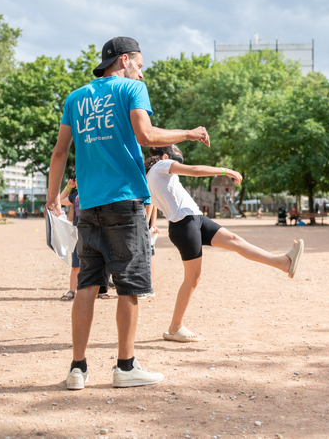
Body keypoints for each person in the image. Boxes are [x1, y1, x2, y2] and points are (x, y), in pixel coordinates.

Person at [46, 36, 210, 391]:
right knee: (129, 286)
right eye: (139, 63)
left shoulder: (75, 98)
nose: (141, 70)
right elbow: (146, 135)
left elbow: (60, 153)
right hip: (124, 201)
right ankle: (125, 366)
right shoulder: (132, 90)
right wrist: (190, 133)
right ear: (124, 60)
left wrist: (52, 198)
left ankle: (77, 369)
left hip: (88, 204)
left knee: (87, 284)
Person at [145, 145, 304, 343]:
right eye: (177, 158)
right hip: (184, 224)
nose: (179, 163)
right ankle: (175, 327)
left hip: (196, 219)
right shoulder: (162, 165)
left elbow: (149, 201)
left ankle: (283, 263)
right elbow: (194, 171)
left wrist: (149, 224)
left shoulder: (153, 174)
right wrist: (225, 170)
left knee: (236, 241)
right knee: (192, 278)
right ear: (166, 156)